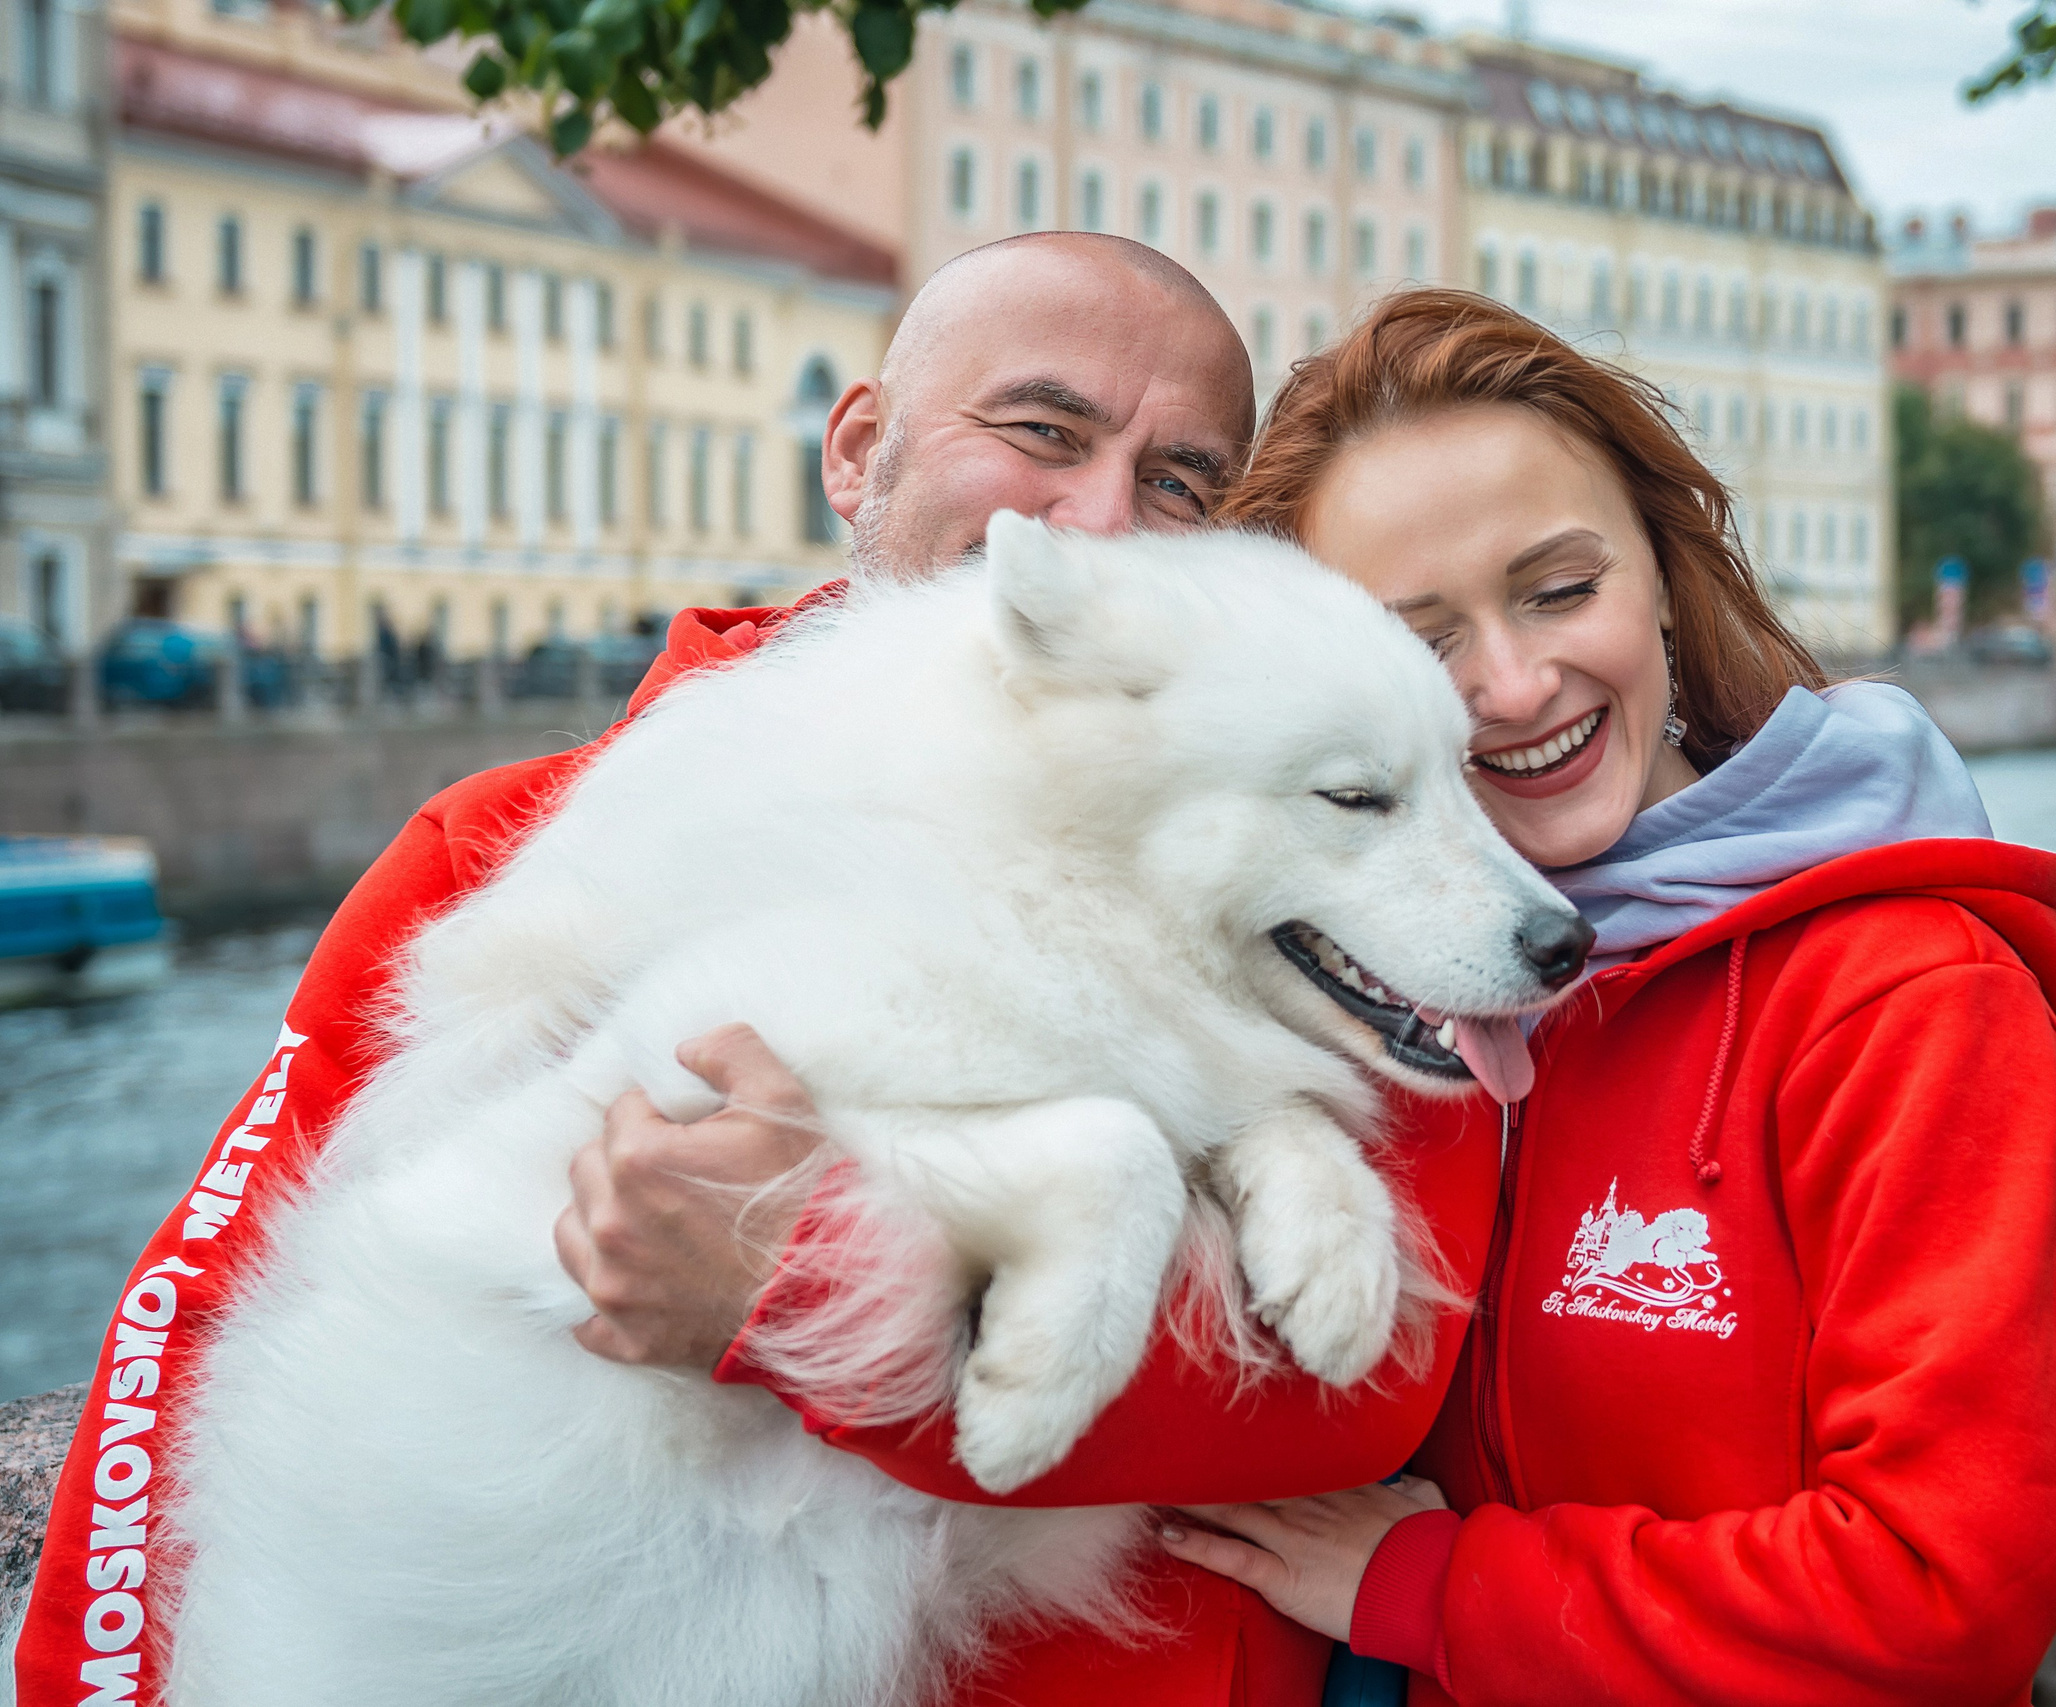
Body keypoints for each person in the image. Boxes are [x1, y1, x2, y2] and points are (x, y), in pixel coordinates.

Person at [10, 232, 1403, 1707]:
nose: (1104, 520)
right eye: (1043, 432)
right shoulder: (507, 842)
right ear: (858, 451)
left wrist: (798, 1286)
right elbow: (209, 1323)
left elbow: (1368, 1387)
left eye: (1181, 484)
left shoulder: (1304, 862)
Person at [1138, 289, 2056, 1704]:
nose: (1513, 684)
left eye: (1560, 590)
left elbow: (1941, 1598)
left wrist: (1429, 1587)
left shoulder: (1912, 1001)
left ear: (1663, 574)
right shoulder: (1353, 1006)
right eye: (1418, 645)